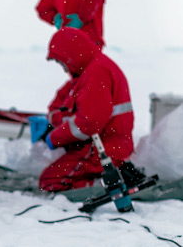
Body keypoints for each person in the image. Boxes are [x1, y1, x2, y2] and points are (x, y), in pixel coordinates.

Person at [28, 28, 134, 192]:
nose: (64, 69)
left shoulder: (96, 74)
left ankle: (105, 185)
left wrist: (54, 138)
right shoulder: (89, 71)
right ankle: (108, 178)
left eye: (62, 63)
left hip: (102, 149)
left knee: (50, 182)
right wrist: (54, 120)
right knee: (55, 175)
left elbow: (89, 123)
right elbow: (63, 104)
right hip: (103, 146)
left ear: (70, 55)